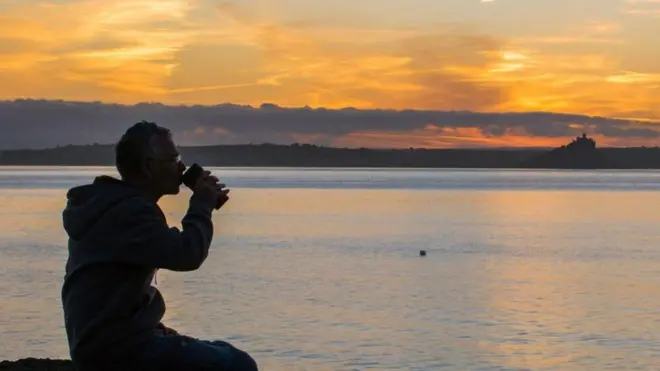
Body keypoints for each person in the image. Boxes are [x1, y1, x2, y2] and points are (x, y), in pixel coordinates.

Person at [60, 121, 259, 371]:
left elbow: (112, 291)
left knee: (222, 351)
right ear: (148, 167)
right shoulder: (129, 212)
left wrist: (148, 324)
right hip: (117, 350)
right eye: (173, 158)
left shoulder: (108, 204)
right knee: (238, 364)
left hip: (103, 341)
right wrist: (202, 204)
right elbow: (188, 254)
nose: (181, 167)